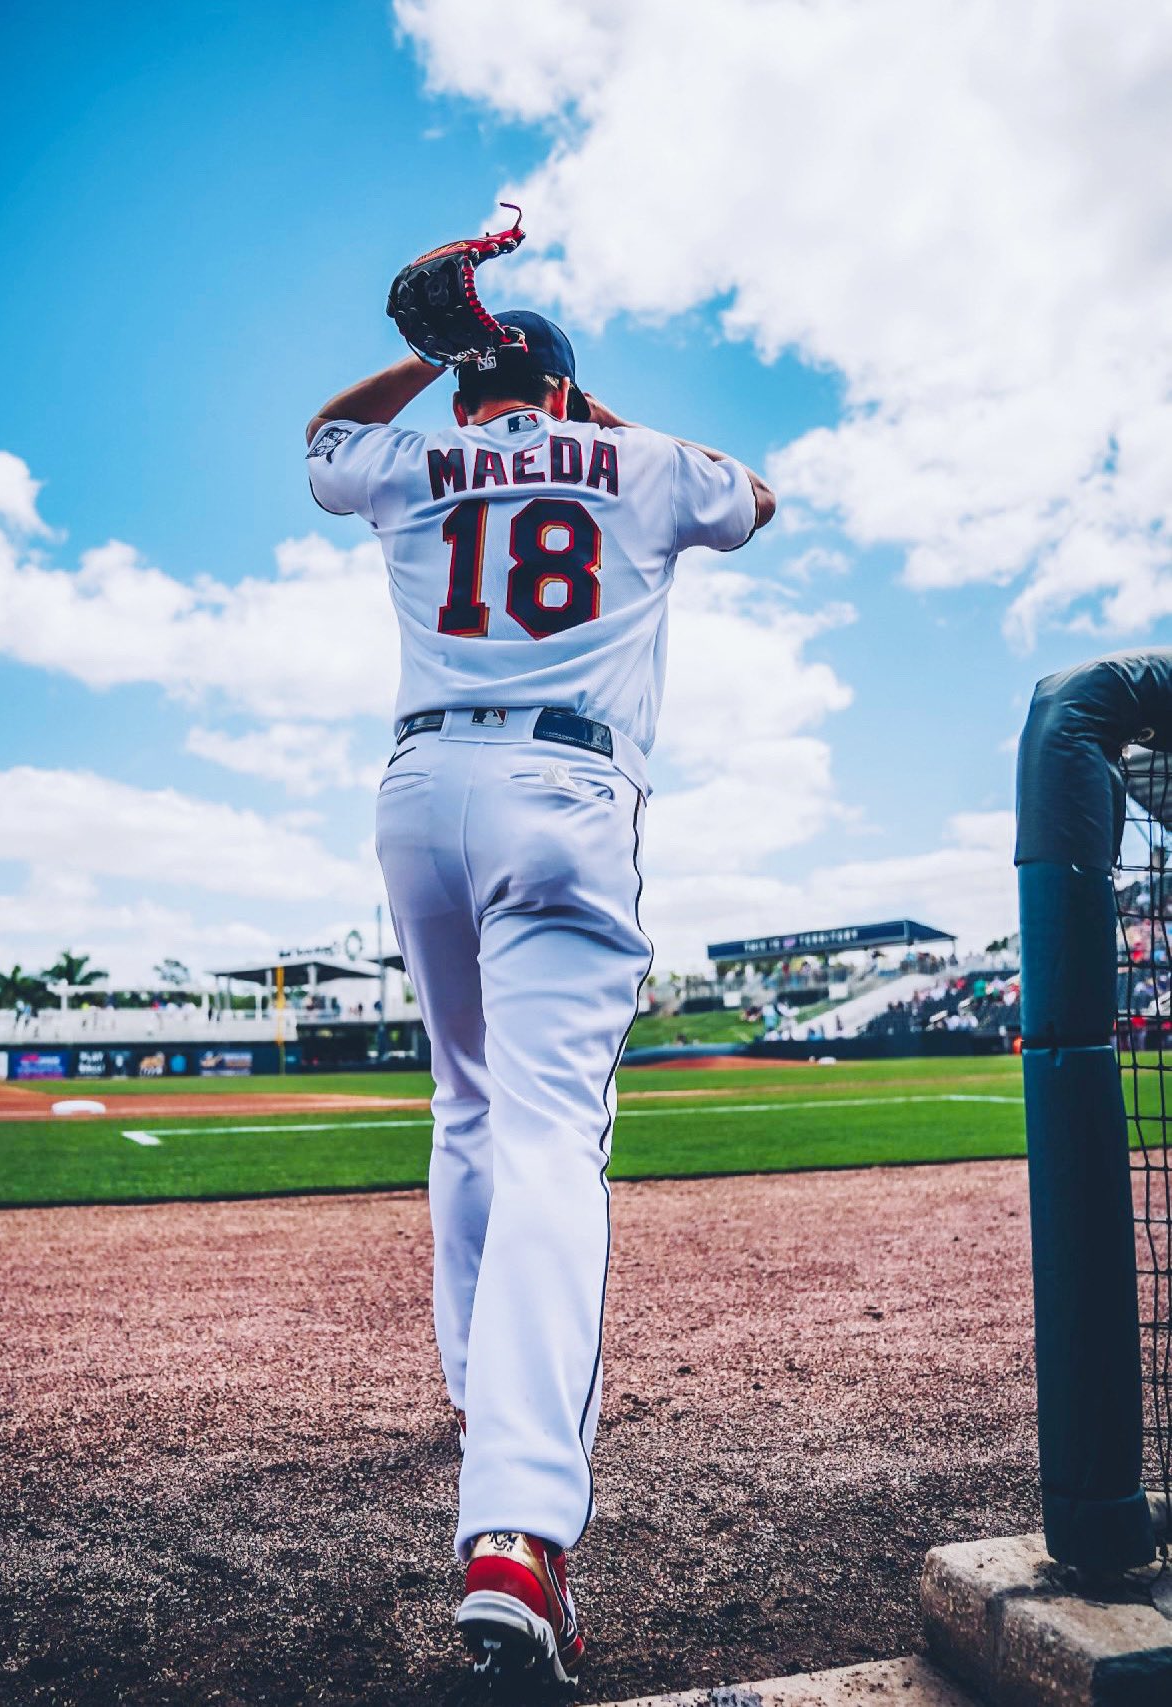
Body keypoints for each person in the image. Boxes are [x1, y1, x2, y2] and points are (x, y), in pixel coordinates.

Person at [306, 309, 774, 1687]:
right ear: (565, 383)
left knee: (465, 1102)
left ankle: (470, 1383)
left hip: (417, 793)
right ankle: (515, 1535)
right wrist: (581, 411)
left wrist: (428, 356)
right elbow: (757, 497)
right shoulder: (637, 462)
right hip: (564, 793)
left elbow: (321, 442)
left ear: (465, 385)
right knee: (549, 1134)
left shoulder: (411, 460)